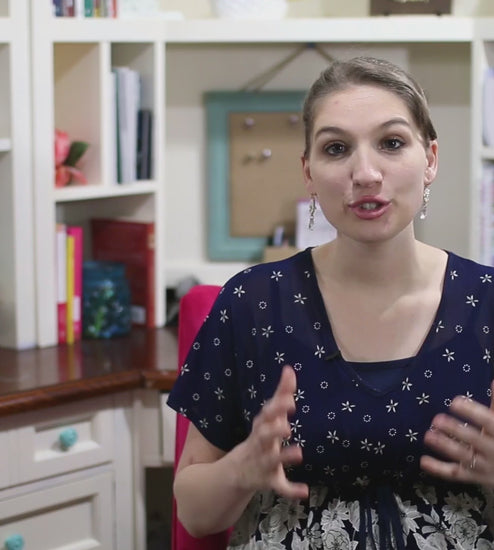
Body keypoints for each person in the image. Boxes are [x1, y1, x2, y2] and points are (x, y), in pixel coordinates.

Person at [167, 56, 494, 549]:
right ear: (308, 172)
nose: (366, 173)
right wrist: (241, 469)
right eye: (336, 149)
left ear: (430, 159)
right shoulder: (253, 303)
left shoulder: (486, 303)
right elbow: (194, 515)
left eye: (391, 143)